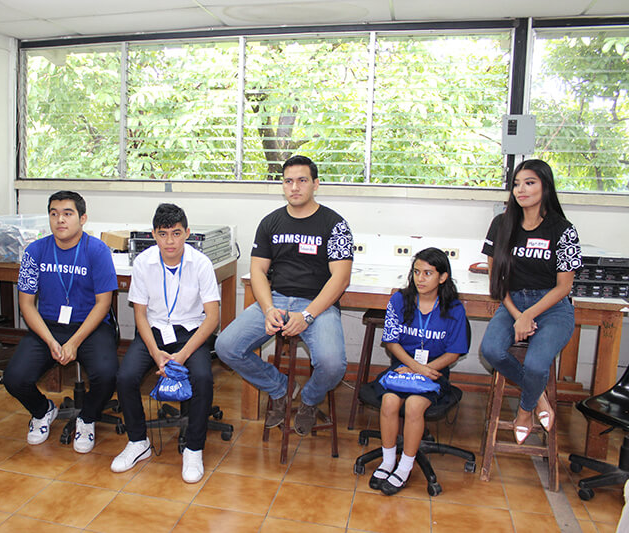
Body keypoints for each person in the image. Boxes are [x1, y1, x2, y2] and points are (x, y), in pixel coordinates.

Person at [215, 154, 353, 435]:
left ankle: (310, 400)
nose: (295, 187)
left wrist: (307, 315)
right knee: (226, 346)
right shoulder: (270, 223)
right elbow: (257, 271)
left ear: (315, 184)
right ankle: (281, 388)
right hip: (276, 300)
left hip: (318, 305)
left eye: (302, 180)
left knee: (332, 364)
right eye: (288, 181)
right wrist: (267, 309)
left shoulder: (335, 225)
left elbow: (341, 278)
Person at [111, 203, 220, 483]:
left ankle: (194, 449)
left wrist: (182, 355)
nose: (170, 241)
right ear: (153, 234)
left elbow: (212, 318)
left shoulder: (201, 264)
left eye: (176, 233)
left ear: (187, 233)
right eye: (163, 234)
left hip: (190, 333)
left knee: (203, 378)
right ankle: (138, 442)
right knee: (125, 377)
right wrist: (155, 353)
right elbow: (139, 314)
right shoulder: (144, 263)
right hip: (154, 333)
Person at [3, 191, 118, 453]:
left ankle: (87, 418)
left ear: (83, 218)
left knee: (108, 374)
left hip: (89, 326)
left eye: (67, 213)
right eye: (54, 214)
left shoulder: (97, 250)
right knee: (14, 378)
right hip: (49, 327)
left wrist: (74, 342)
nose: (60, 220)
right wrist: (52, 341)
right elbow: (26, 304)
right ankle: (43, 410)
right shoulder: (35, 251)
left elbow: (103, 304)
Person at [480, 159, 581, 445]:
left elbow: (564, 287)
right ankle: (538, 398)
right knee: (490, 350)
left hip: (552, 307)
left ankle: (524, 411)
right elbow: (497, 282)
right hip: (512, 301)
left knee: (537, 366)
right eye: (516, 184)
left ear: (545, 186)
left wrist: (529, 315)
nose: (520, 190)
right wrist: (517, 314)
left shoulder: (563, 229)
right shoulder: (501, 224)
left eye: (529, 182)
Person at [368, 247, 468, 495]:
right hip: (401, 368)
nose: (420, 278)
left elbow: (454, 353)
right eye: (416, 272)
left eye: (428, 273)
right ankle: (388, 460)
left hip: (435, 372)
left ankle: (405, 466)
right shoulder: (399, 300)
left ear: (442, 277)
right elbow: (392, 342)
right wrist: (414, 368)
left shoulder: (454, 308)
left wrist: (425, 370)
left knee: (413, 406)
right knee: (390, 402)